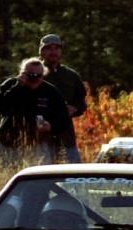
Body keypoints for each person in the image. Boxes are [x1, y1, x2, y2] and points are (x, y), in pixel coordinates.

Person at [0, 57, 70, 164]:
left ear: (43, 75)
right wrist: (18, 87)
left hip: (38, 145)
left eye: (38, 76)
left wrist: (51, 126)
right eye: (30, 75)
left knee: (39, 178)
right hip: (9, 144)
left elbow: (63, 118)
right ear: (22, 73)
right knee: (3, 176)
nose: (34, 79)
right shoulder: (11, 85)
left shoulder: (50, 91)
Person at [39, 34, 87, 163]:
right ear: (42, 52)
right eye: (49, 48)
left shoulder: (71, 76)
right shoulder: (34, 73)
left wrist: (74, 108)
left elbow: (82, 103)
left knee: (73, 176)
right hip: (39, 139)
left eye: (56, 48)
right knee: (40, 177)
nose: (53, 52)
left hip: (66, 137)